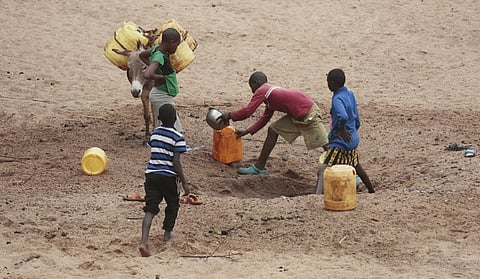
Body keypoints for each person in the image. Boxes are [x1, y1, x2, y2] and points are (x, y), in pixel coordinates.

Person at [222, 71, 329, 175]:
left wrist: (230, 115)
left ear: (256, 83)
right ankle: (259, 167)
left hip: (309, 112)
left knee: (325, 143)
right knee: (273, 130)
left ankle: (341, 166)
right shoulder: (270, 94)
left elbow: (247, 111)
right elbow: (265, 118)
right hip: (297, 115)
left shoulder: (262, 90)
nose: (252, 92)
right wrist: (248, 131)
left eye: (252, 88)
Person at [139, 104, 189, 257]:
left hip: (151, 175)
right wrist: (185, 182)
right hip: (168, 177)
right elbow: (176, 162)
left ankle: (144, 241)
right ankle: (167, 233)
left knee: (150, 208)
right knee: (173, 204)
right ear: (175, 118)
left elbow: (152, 146)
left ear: (159, 119)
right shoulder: (178, 137)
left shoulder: (154, 134)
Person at [315, 68, 375, 194]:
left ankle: (317, 195)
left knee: (324, 168)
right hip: (352, 140)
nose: (327, 85)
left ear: (333, 83)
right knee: (357, 166)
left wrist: (341, 130)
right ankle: (371, 190)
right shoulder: (350, 94)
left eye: (328, 82)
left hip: (341, 143)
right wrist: (352, 131)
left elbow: (343, 116)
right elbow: (356, 118)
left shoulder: (337, 99)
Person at [140, 28, 183, 132]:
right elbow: (147, 74)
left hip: (159, 94)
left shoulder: (156, 49)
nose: (176, 48)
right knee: (175, 127)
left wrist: (156, 70)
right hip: (162, 96)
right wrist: (160, 76)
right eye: (176, 45)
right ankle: (177, 145)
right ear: (171, 42)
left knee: (162, 125)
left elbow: (142, 55)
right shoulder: (160, 56)